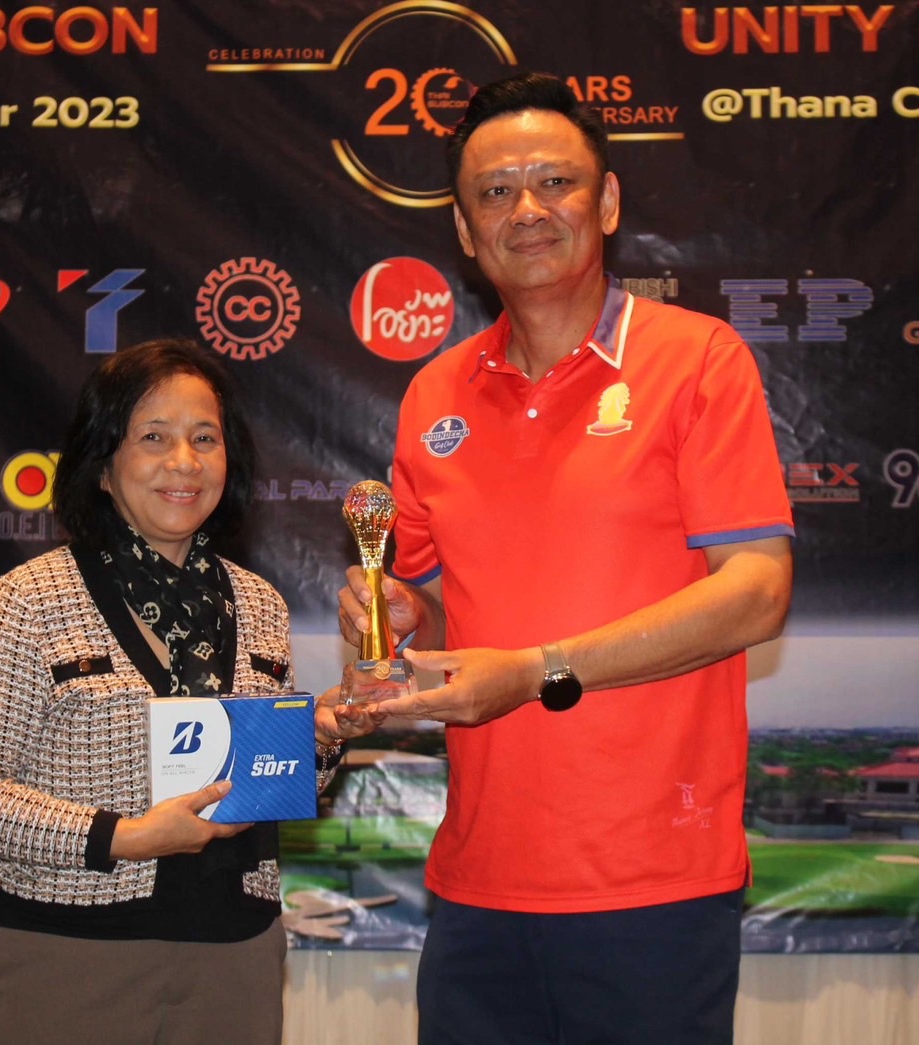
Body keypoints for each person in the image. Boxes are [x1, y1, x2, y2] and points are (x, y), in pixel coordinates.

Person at [322, 72, 796, 1044]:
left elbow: (755, 592)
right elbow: (443, 614)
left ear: (607, 201)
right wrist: (406, 621)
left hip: (652, 882)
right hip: (477, 882)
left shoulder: (698, 359)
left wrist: (539, 671)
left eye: (555, 182)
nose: (527, 211)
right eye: (495, 192)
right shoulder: (434, 394)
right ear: (464, 229)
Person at [0, 338, 331, 1044]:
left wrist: (322, 739)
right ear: (103, 466)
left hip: (236, 950)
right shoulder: (31, 599)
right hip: (72, 953)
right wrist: (126, 837)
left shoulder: (259, 603)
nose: (184, 461)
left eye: (204, 438)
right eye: (153, 437)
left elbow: (267, 783)